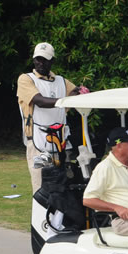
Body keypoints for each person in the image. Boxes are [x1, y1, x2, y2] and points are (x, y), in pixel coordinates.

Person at [17, 42, 87, 193]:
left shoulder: (61, 81)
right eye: (38, 59)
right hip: (37, 144)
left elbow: (76, 91)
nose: (40, 63)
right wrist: (65, 101)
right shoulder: (25, 79)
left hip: (61, 143)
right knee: (41, 187)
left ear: (52, 61)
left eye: (45, 59)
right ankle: (41, 217)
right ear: (34, 59)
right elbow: (40, 101)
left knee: (63, 187)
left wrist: (81, 92)